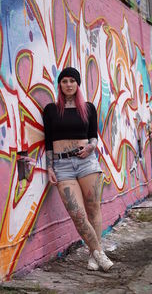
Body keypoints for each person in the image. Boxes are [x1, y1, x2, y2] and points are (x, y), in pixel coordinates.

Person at [43, 67, 113, 272]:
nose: (68, 85)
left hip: (87, 163)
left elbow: (93, 136)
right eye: (64, 81)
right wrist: (49, 167)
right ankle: (99, 252)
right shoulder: (51, 110)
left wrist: (90, 147)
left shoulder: (88, 108)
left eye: (72, 81)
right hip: (62, 166)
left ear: (77, 84)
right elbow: (48, 141)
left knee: (93, 210)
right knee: (77, 214)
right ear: (60, 85)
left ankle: (93, 255)